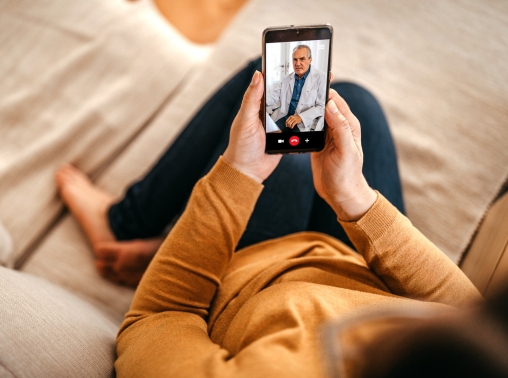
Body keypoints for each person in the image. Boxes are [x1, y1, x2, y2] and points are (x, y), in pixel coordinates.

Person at [56, 58, 481, 376]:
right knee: (357, 105)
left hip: (258, 270)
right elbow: (467, 313)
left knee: (275, 118)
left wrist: (238, 174)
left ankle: (127, 223)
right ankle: (159, 246)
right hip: (364, 263)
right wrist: (355, 199)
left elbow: (157, 317)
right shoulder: (474, 359)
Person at [265, 44, 327, 132]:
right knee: (270, 136)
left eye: (302, 59)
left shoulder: (321, 77)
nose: (297, 63)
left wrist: (300, 117)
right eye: (295, 59)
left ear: (310, 60)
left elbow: (322, 106)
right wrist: (259, 102)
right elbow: (274, 96)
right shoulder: (287, 78)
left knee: (292, 144)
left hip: (304, 122)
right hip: (286, 118)